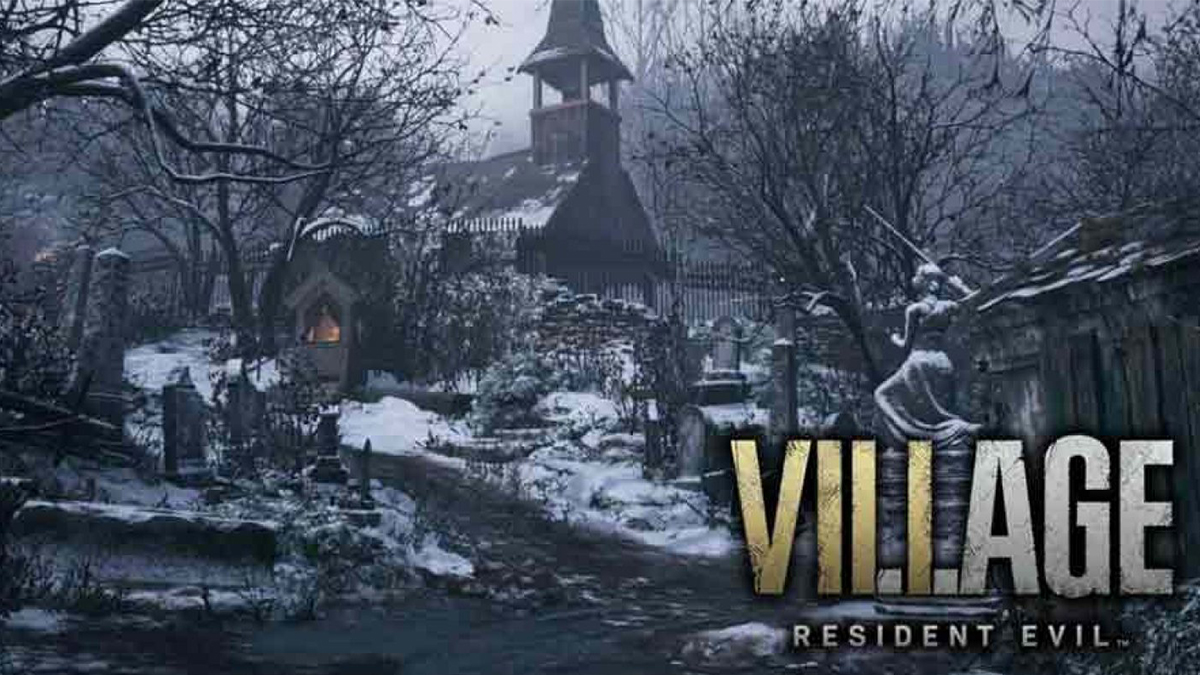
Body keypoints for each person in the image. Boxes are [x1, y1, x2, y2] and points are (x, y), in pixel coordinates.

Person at [874, 262, 980, 451]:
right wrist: (960, 287)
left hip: (917, 363)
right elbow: (976, 301)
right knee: (938, 412)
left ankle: (929, 434)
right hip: (942, 362)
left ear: (921, 283)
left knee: (881, 394)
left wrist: (894, 338)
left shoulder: (915, 310)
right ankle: (953, 433)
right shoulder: (948, 306)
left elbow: (905, 347)